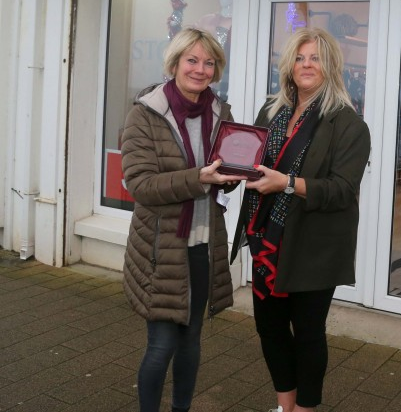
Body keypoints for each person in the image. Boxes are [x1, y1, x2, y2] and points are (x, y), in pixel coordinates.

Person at [230, 27, 371, 412]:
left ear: (330, 67)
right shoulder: (270, 112)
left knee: (307, 333)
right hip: (266, 239)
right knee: (269, 328)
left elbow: (342, 189)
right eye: (300, 57)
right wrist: (230, 171)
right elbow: (254, 165)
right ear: (289, 66)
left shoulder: (347, 124)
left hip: (313, 246)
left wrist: (288, 183)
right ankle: (284, 405)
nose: (306, 65)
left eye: (316, 59)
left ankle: (305, 410)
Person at [121, 27, 245, 412]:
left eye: (209, 62)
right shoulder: (145, 114)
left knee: (191, 340)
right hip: (162, 247)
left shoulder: (222, 113)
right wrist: (199, 179)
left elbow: (225, 174)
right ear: (174, 63)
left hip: (204, 246)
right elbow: (140, 184)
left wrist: (237, 176)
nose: (200, 69)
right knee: (162, 345)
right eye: (192, 60)